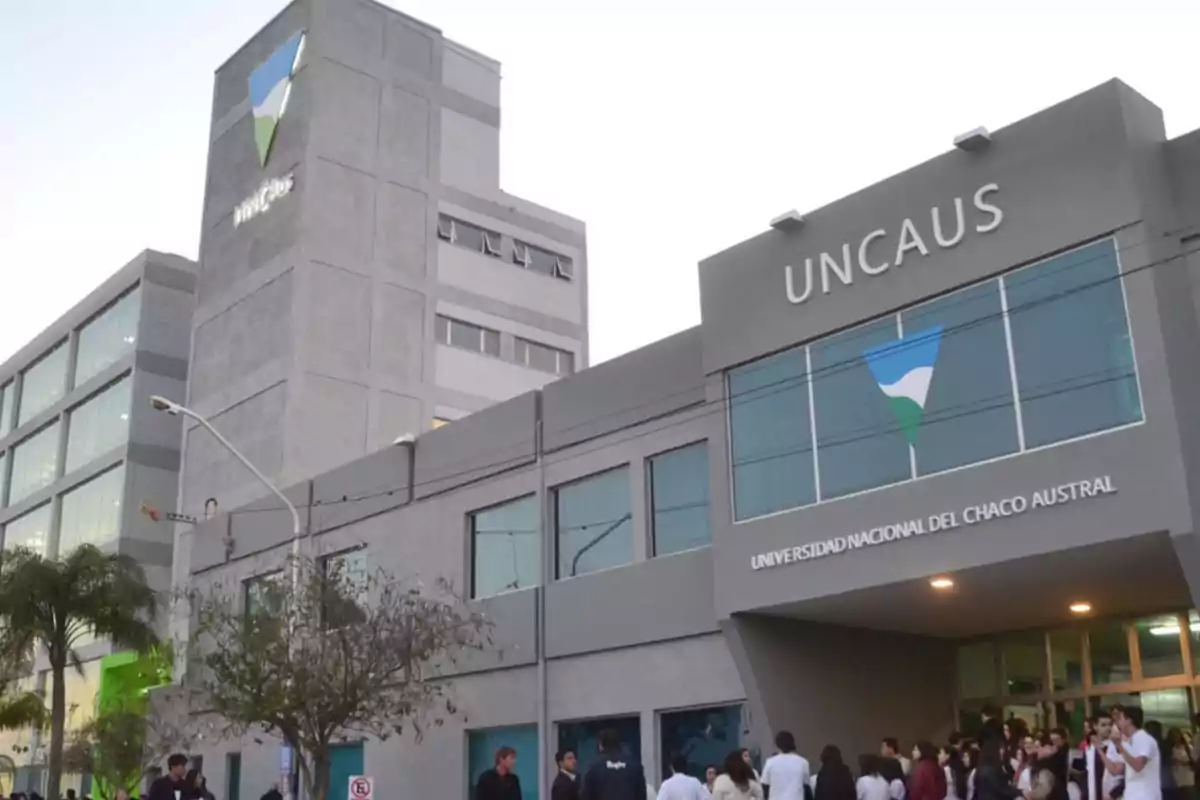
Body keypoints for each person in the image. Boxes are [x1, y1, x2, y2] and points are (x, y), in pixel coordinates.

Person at [580, 727, 647, 800]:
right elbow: (641, 795)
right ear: (619, 744)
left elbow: (586, 796)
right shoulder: (634, 766)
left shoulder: (594, 768)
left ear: (601, 745)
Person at [1111, 707, 1160, 800]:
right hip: (1132, 794)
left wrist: (1119, 746)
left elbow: (1138, 766)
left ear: (1129, 720)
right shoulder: (1129, 741)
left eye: (1120, 718)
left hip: (1145, 795)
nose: (1118, 723)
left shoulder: (1144, 738)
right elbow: (1116, 770)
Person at [762, 731, 811, 800]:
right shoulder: (803, 762)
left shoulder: (770, 762)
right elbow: (806, 785)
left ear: (777, 744)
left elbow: (765, 785)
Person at [1166, 729, 1193, 800]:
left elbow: (1192, 760)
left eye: (1177, 735)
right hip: (1174, 779)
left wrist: (1183, 762)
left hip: (1187, 778)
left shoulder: (1186, 748)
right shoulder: (1169, 749)